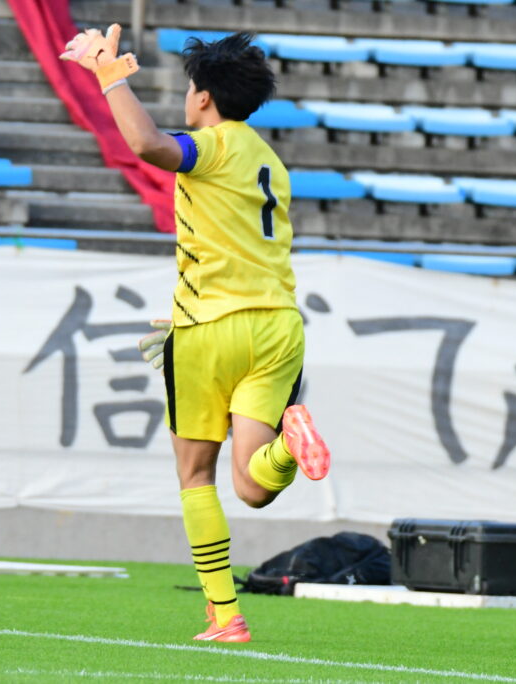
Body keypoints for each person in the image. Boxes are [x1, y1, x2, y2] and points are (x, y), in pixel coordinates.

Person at [61, 26, 330, 643]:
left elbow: (146, 145)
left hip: (210, 329)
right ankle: (289, 446)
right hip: (278, 327)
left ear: (203, 97)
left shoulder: (214, 146)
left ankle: (226, 616)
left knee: (196, 476)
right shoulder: (270, 161)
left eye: (189, 89)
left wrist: (110, 77)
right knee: (253, 484)